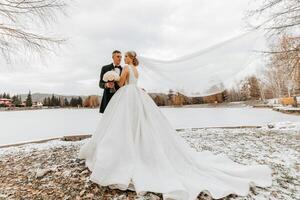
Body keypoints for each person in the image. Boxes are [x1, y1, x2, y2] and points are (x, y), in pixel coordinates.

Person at [79, 51, 272, 200]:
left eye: (126, 56)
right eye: (123, 57)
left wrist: (113, 79)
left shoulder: (128, 69)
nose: (124, 59)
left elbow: (122, 84)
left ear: (129, 58)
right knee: (140, 122)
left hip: (128, 95)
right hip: (137, 95)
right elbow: (134, 83)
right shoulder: (137, 70)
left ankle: (126, 149)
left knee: (123, 123)